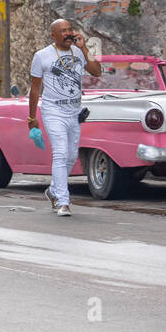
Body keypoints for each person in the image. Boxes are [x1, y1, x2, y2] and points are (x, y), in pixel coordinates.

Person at [28, 20, 101, 216]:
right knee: (60, 153)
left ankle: (53, 191)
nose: (68, 33)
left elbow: (97, 72)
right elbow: (35, 89)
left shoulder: (78, 52)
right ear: (53, 35)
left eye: (69, 30)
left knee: (71, 156)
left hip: (74, 110)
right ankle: (63, 201)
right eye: (63, 31)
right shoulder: (42, 56)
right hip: (53, 110)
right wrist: (31, 117)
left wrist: (84, 48)